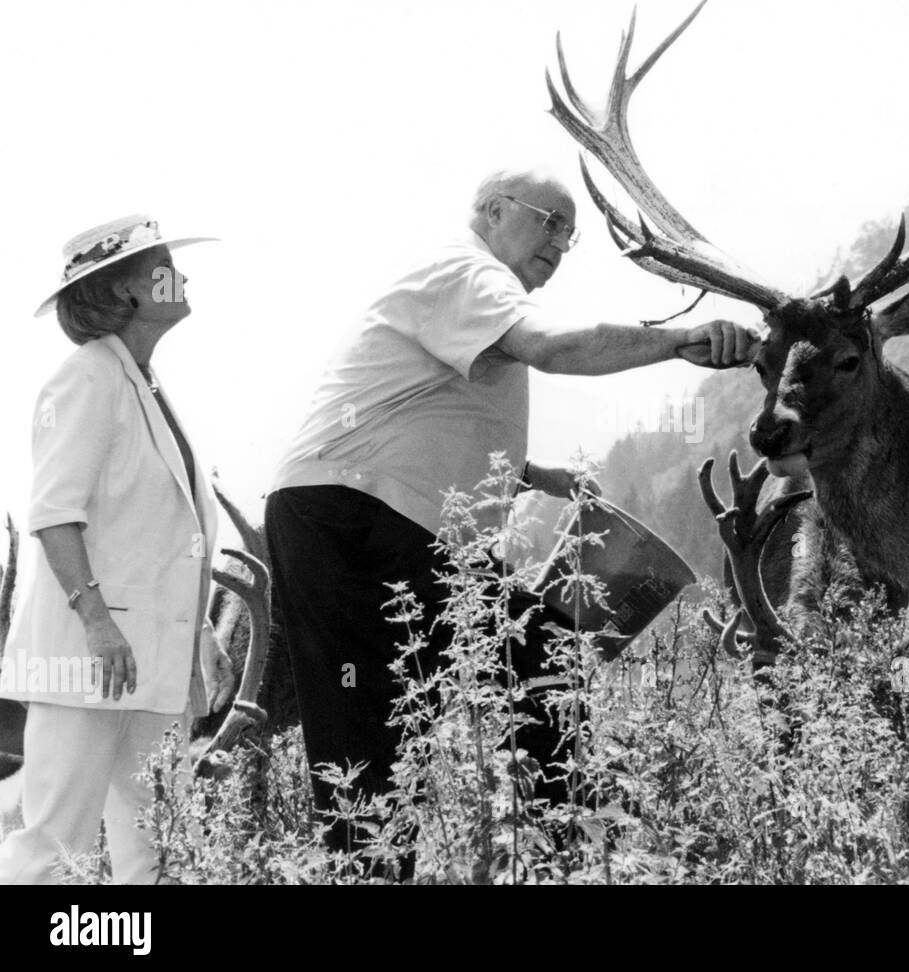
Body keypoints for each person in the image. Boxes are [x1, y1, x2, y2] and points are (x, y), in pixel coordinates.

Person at [266, 169, 757, 860]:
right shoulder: (469, 274)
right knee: (384, 732)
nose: (559, 241)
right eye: (546, 219)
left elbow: (417, 416)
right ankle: (561, 852)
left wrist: (535, 474)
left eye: (570, 232)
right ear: (493, 212)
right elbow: (554, 347)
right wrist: (677, 339)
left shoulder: (467, 295)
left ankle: (558, 851)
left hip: (378, 518)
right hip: (355, 519)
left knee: (475, 693)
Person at [0, 215, 235, 884]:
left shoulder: (146, 384)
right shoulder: (89, 378)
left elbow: (169, 540)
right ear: (127, 291)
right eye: (165, 266)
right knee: (53, 849)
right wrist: (97, 621)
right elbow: (53, 514)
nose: (182, 276)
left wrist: (198, 637)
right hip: (86, 661)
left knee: (158, 849)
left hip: (154, 666)